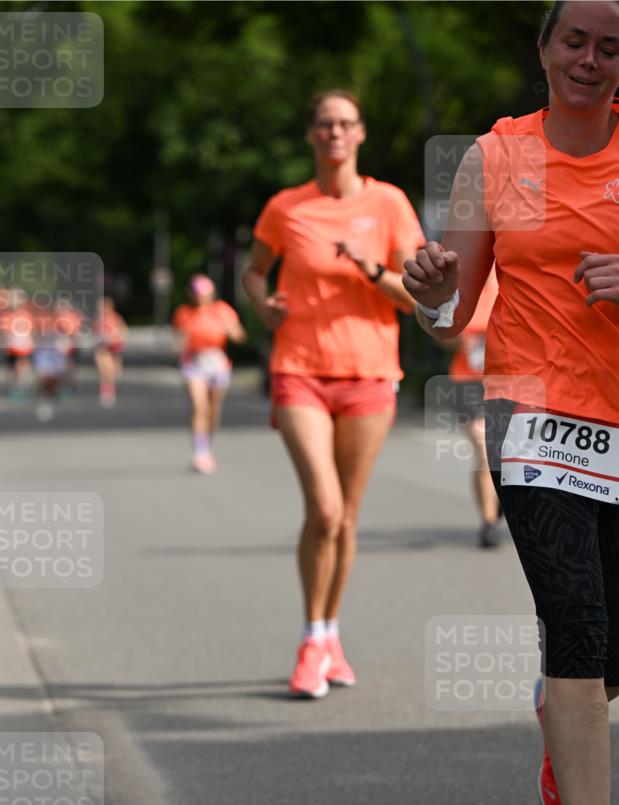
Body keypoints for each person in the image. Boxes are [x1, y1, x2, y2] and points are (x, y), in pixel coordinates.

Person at [404, 0, 619, 805]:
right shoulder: (497, 159)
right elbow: (453, 309)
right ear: (541, 49)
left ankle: (561, 722)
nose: (590, 58)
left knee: (605, 647)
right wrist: (426, 293)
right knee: (576, 627)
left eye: (611, 45)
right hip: (535, 416)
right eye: (573, 39)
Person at [243, 89, 424, 698]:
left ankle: (329, 635)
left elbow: (417, 293)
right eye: (324, 124)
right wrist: (260, 304)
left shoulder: (390, 203)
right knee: (323, 509)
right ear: (311, 135)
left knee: (346, 517)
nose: (335, 134)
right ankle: (310, 636)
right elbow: (252, 269)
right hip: (299, 368)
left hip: (371, 373)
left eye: (345, 123)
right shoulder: (286, 207)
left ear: (361, 133)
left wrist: (368, 268)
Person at [444, 268, 501, 547]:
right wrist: (460, 339)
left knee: (508, 454)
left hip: (505, 381)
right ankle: (489, 522)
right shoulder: (464, 293)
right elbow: (441, 335)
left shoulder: (509, 290)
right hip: (467, 382)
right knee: (484, 449)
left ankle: (502, 496)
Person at [172, 274, 246, 473]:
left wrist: (231, 330)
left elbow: (240, 336)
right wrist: (179, 344)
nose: (200, 298)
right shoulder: (184, 313)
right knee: (199, 407)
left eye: (204, 294)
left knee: (213, 410)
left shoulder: (222, 310)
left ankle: (207, 445)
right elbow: (177, 339)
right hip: (193, 362)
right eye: (197, 294)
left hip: (216, 361)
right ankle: (200, 452)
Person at [93, 297, 127, 407]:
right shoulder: (98, 320)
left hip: (114, 348)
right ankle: (105, 391)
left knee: (112, 371)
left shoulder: (116, 318)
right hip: (102, 348)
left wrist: (114, 336)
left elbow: (123, 331)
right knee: (104, 369)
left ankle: (110, 388)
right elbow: (95, 334)